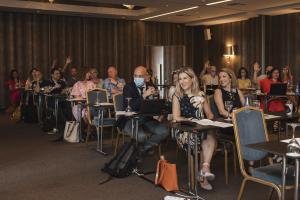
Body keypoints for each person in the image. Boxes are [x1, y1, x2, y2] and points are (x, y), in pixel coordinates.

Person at [172, 67, 216, 190]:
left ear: (192, 79)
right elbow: (176, 117)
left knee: (210, 134)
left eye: (185, 78)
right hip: (184, 131)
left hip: (201, 129)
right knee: (202, 140)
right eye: (180, 79)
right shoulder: (177, 95)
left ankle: (205, 168)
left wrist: (209, 114)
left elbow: (210, 114)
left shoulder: (201, 94)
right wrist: (191, 120)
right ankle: (203, 177)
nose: (182, 81)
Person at [121, 66, 168, 156]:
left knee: (164, 131)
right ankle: (142, 149)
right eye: (135, 76)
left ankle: (143, 148)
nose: (137, 78)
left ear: (146, 77)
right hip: (130, 120)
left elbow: (155, 106)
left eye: (140, 76)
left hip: (146, 119)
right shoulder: (128, 87)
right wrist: (144, 95)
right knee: (141, 136)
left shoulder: (151, 86)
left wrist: (154, 97)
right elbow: (130, 106)